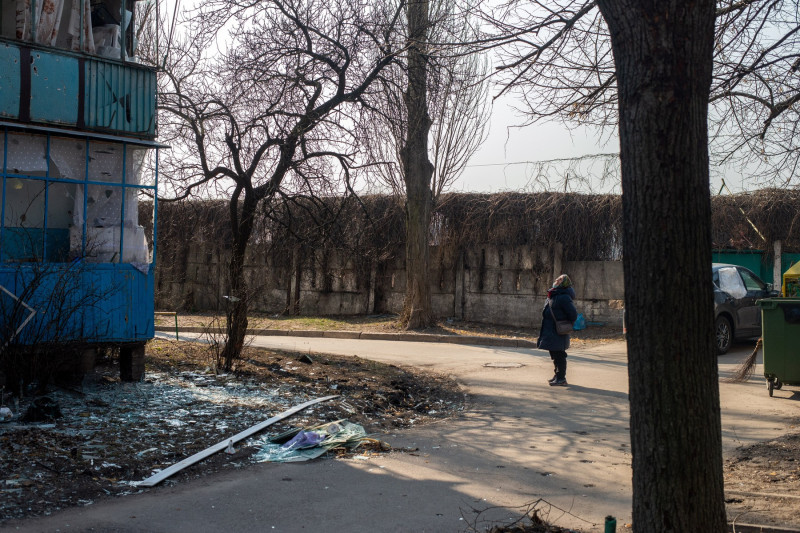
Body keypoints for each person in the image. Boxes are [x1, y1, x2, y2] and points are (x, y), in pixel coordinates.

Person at [537, 274, 578, 386]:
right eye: (557, 278)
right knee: (554, 353)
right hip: (550, 330)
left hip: (558, 331)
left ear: (564, 283)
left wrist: (562, 322)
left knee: (559, 354)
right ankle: (557, 375)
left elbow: (573, 315)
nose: (556, 280)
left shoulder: (564, 297)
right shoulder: (552, 295)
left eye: (560, 279)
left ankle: (561, 378)